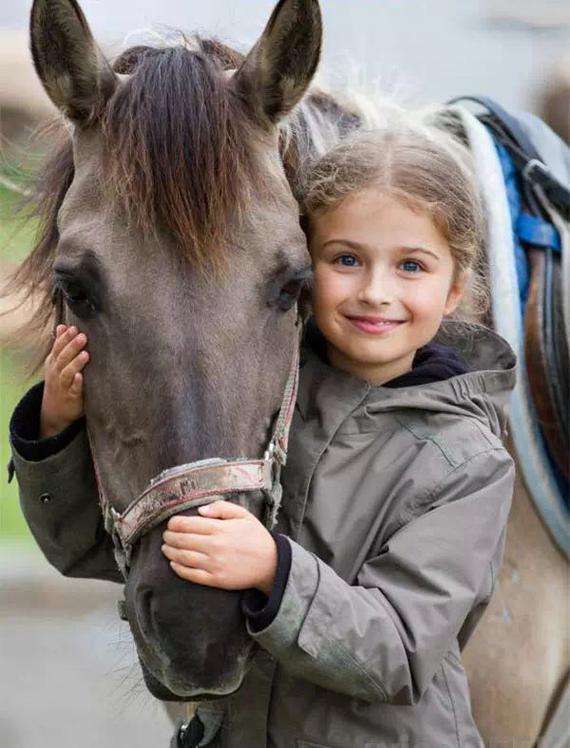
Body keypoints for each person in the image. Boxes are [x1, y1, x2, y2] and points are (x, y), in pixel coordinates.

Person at [10, 119, 516, 747]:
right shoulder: (264, 402)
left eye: (411, 265)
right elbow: (89, 549)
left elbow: (399, 651)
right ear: (307, 263)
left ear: (454, 291)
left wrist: (275, 572)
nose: (375, 292)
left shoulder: (467, 462)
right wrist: (54, 431)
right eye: (346, 259)